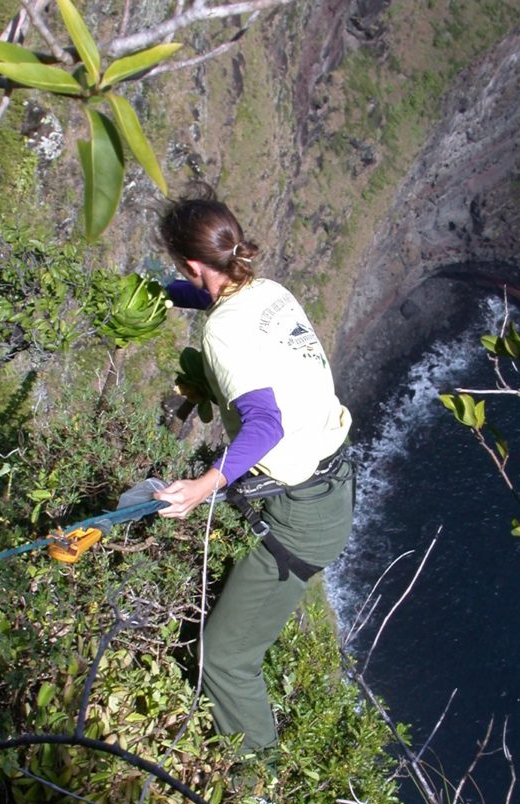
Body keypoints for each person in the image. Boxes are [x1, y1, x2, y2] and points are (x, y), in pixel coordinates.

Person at [155, 183, 353, 761]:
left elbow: (263, 425)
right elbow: (219, 301)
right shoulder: (265, 290)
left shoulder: (224, 333)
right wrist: (165, 295)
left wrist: (200, 487)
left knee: (223, 657)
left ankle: (258, 789)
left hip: (303, 516)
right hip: (333, 481)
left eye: (179, 272)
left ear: (195, 264)